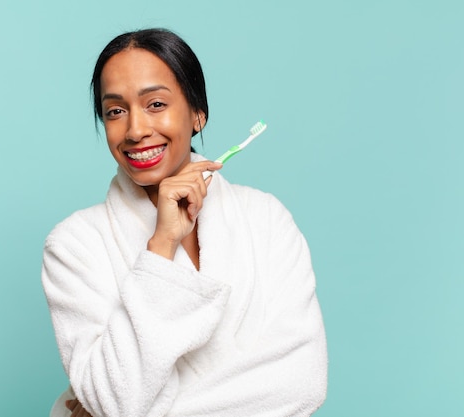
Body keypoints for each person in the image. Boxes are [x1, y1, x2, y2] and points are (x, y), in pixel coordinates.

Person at [41, 28, 327, 417]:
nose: (136, 130)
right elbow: (116, 399)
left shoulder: (267, 220)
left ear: (197, 113)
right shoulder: (74, 245)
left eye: (155, 104)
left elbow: (301, 382)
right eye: (115, 111)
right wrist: (161, 246)